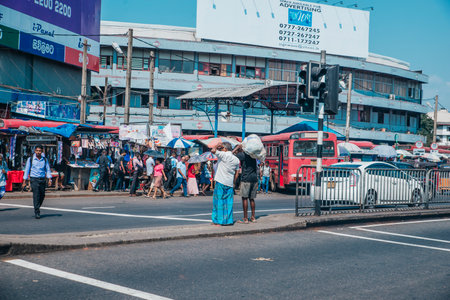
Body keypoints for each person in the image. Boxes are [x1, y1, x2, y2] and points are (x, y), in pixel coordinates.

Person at [211, 142, 240, 226]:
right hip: (229, 182)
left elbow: (213, 150)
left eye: (222, 148)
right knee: (228, 203)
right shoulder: (236, 159)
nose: (220, 149)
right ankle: (228, 220)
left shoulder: (223, 155)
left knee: (218, 202)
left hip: (221, 181)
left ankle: (218, 221)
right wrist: (234, 182)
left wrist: (217, 145)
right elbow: (237, 173)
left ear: (225, 149)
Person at [22, 145, 52, 219]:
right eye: (37, 151)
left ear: (42, 152)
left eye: (40, 151)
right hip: (34, 179)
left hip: (42, 179)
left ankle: (37, 206)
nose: (38, 152)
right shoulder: (31, 159)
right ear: (35, 151)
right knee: (36, 195)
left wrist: (49, 179)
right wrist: (24, 181)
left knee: (42, 195)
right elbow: (27, 170)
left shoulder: (44, 160)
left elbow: (47, 169)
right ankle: (37, 211)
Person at [233, 144, 258, 224]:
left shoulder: (242, 155)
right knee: (252, 199)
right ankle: (253, 217)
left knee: (244, 198)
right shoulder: (253, 155)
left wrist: (237, 148)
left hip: (246, 179)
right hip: (254, 179)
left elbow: (230, 155)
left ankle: (245, 218)